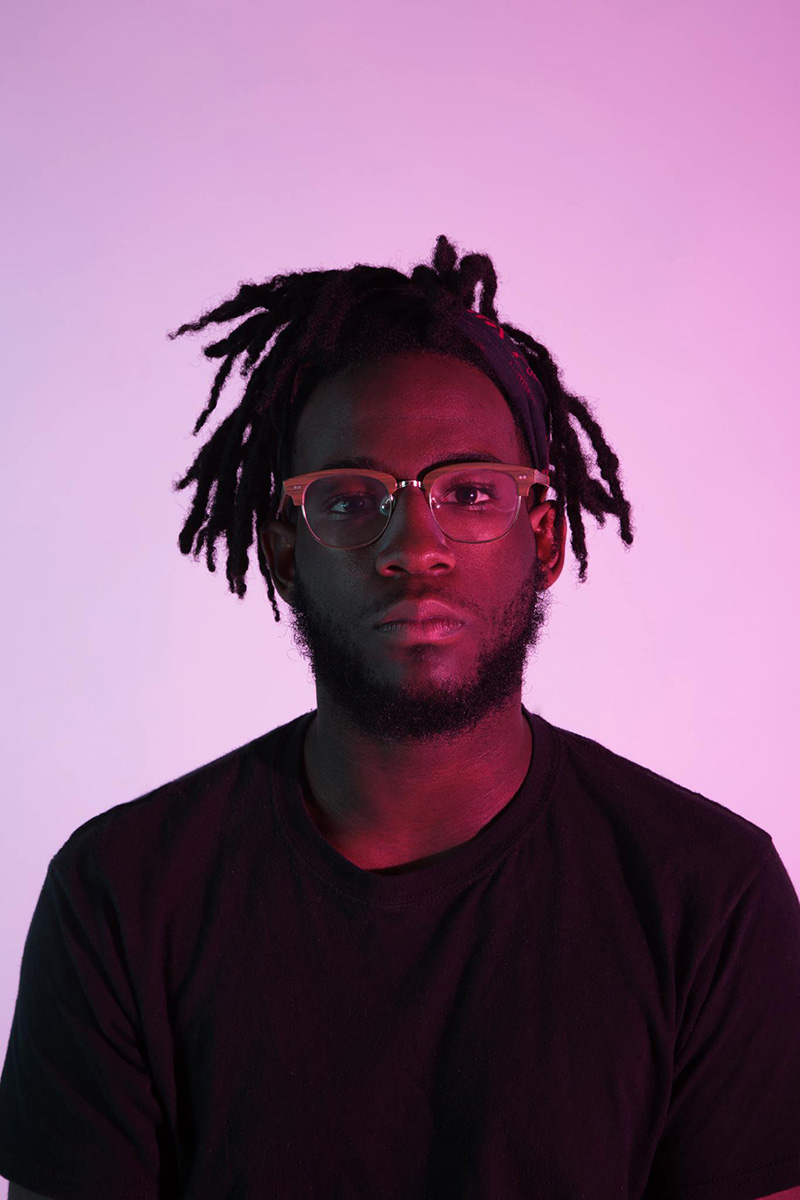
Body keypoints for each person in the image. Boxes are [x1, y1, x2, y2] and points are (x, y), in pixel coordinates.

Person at [1, 235, 799, 1200]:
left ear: (541, 538)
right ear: (286, 552)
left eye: (468, 493)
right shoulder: (121, 893)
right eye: (351, 499)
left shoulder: (706, 895)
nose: (414, 544)